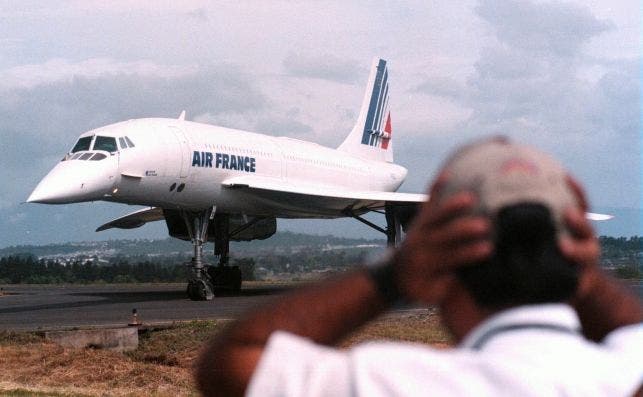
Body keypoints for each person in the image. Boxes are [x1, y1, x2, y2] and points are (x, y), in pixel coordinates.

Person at [196, 137, 643, 396]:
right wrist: (587, 277)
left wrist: (395, 272)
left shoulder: (388, 380)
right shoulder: (624, 376)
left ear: (443, 271)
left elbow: (231, 364)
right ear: (574, 237)